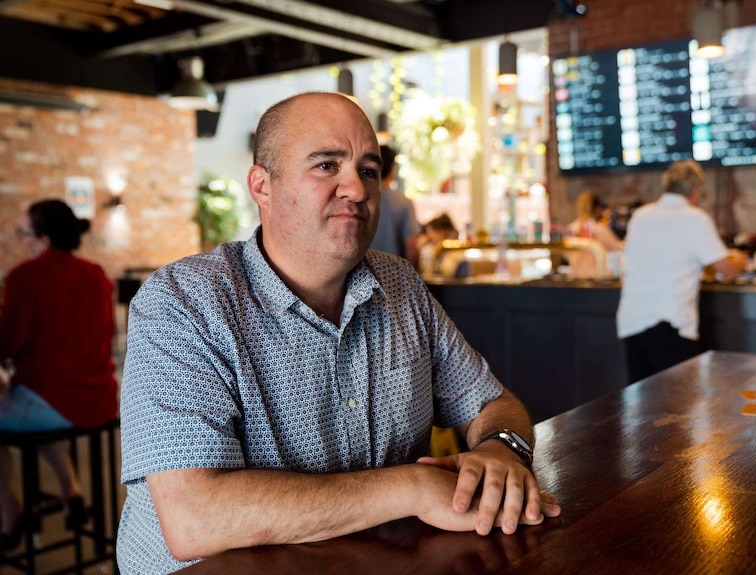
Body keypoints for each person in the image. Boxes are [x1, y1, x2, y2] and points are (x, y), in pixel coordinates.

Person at [117, 92, 561, 574]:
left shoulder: (400, 285)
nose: (356, 188)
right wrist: (411, 487)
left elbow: (493, 404)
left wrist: (500, 450)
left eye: (368, 170)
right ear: (261, 186)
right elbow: (195, 518)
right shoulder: (183, 301)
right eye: (327, 165)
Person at [0, 199, 117, 552]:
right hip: (100, 400)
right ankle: (71, 490)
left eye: (24, 234)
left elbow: (6, 344)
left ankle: (10, 513)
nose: (22, 242)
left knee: (30, 405)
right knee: (37, 406)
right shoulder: (97, 274)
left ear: (44, 239)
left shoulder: (25, 276)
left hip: (53, 400)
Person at [616, 160, 746, 384]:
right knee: (677, 405)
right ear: (695, 190)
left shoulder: (641, 215)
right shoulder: (694, 218)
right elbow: (726, 270)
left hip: (632, 322)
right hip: (669, 323)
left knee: (640, 406)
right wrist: (741, 259)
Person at [368, 144, 421, 268]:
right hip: (394, 277)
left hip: (360, 276)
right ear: (393, 169)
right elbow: (411, 247)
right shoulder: (402, 202)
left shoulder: (359, 198)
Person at [566, 191, 623, 279]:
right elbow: (618, 250)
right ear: (597, 209)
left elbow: (565, 254)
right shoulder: (599, 229)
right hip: (597, 279)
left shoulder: (570, 229)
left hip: (575, 278)